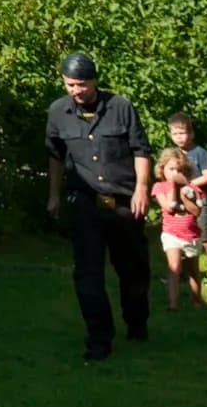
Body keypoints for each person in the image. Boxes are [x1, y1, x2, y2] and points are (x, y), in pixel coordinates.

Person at [45, 51, 153, 361]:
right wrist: (54, 195)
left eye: (81, 84)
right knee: (87, 273)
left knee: (133, 270)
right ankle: (99, 338)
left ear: (94, 81)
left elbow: (140, 149)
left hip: (123, 202)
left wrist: (141, 189)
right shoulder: (58, 112)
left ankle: (136, 321)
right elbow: (55, 156)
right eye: (70, 84)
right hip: (84, 204)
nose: (76, 90)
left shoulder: (120, 107)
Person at [166, 112, 207, 281]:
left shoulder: (199, 153)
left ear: (191, 133)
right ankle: (181, 272)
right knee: (180, 236)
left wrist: (188, 184)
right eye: (175, 133)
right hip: (180, 201)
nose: (179, 137)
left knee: (205, 236)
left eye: (182, 133)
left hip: (199, 200)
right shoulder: (173, 154)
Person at [151, 148, 206, 311]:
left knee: (193, 270)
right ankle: (173, 304)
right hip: (171, 234)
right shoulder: (159, 187)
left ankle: (197, 300)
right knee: (174, 267)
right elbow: (169, 207)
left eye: (180, 170)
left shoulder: (192, 188)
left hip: (191, 235)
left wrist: (184, 192)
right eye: (171, 169)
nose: (176, 173)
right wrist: (174, 187)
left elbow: (196, 211)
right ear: (162, 170)